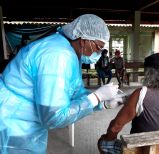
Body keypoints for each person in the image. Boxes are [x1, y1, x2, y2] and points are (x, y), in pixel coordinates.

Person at [0, 14, 122, 153]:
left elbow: (73, 92)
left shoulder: (70, 52)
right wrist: (96, 97)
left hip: (27, 117)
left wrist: (102, 102)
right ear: (84, 40)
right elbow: (53, 117)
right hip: (13, 119)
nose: (99, 53)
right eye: (98, 47)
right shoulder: (57, 56)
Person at [98, 53, 159, 154]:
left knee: (104, 143)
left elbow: (115, 127)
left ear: (149, 73)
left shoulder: (142, 93)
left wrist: (108, 138)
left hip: (147, 150)